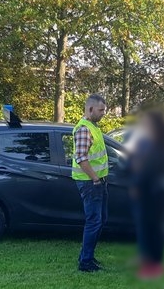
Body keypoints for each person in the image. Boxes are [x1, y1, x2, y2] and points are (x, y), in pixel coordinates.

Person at [128, 109, 164, 280]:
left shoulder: (159, 145)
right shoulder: (147, 143)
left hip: (154, 193)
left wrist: (137, 184)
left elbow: (148, 170)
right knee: (145, 227)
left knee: (153, 228)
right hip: (147, 192)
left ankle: (155, 264)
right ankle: (146, 259)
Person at [72, 94, 109, 272]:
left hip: (97, 181)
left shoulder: (93, 127)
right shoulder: (84, 129)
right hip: (90, 183)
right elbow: (81, 158)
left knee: (100, 220)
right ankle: (85, 262)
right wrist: (95, 178)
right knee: (94, 221)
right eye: (101, 110)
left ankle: (87, 257)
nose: (103, 113)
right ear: (90, 109)